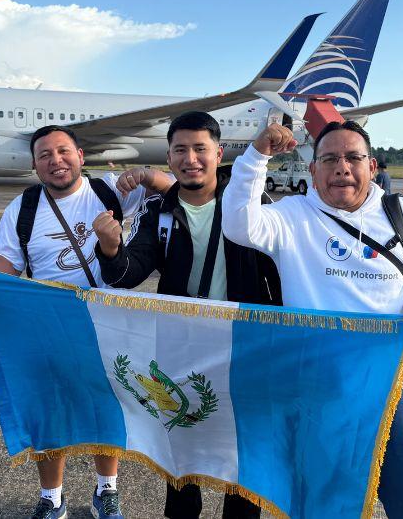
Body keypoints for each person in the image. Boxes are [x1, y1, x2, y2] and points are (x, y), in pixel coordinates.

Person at [221, 120, 403, 519]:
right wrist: (257, 156)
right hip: (318, 388)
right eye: (330, 159)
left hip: (392, 385)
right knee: (321, 500)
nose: (342, 168)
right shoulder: (292, 216)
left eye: (353, 157)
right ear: (313, 169)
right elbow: (237, 224)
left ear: (372, 166)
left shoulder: (401, 212)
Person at [0, 125, 173, 519]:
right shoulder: (23, 208)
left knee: (107, 408)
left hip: (106, 322)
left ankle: (107, 490)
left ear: (80, 156)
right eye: (45, 155)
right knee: (49, 411)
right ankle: (52, 497)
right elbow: (7, 265)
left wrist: (147, 175)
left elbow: (175, 191)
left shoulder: (110, 191)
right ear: (35, 165)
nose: (56, 160)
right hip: (47, 325)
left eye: (64, 151)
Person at [93, 111, 281, 519]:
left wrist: (282, 336)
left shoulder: (250, 203)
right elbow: (127, 274)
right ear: (168, 157)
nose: (190, 159)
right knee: (181, 446)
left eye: (200, 149)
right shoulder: (159, 211)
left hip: (244, 346)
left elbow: (280, 272)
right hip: (181, 347)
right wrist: (110, 248)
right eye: (180, 150)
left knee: (244, 450)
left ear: (219, 153)